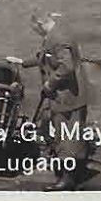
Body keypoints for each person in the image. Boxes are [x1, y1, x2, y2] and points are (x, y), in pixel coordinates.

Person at [30, 11, 91, 191]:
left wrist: (50, 83)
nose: (37, 33)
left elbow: (67, 66)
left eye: (36, 30)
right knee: (66, 135)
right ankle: (71, 173)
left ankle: (67, 180)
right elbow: (45, 57)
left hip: (68, 97)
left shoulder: (58, 39)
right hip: (68, 97)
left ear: (41, 24)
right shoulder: (57, 33)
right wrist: (23, 62)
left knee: (67, 137)